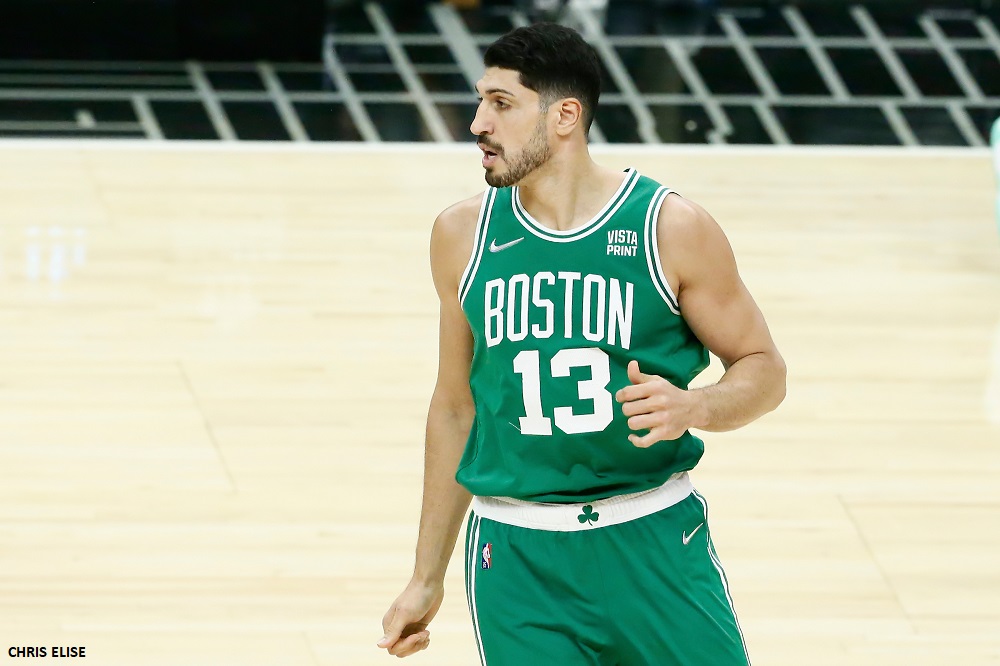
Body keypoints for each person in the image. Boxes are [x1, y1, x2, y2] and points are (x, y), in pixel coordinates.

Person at [377, 22, 786, 665]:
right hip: (516, 557)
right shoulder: (461, 235)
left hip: (652, 541)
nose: (478, 123)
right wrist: (425, 576)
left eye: (502, 103)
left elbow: (763, 368)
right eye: (481, 100)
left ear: (565, 115)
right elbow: (456, 406)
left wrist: (697, 406)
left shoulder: (669, 227)